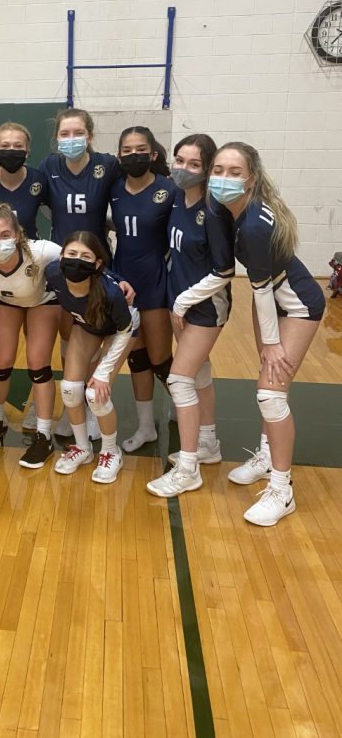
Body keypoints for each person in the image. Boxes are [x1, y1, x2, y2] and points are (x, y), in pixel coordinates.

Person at [207, 142, 324, 526]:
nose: (223, 178)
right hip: (272, 300)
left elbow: (258, 289)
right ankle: (266, 454)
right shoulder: (233, 211)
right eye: (218, 170)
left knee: (270, 393)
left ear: (251, 179)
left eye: (234, 172)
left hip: (298, 304)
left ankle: (282, 489)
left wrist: (272, 343)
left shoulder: (254, 223)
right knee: (270, 382)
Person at [145, 134, 235, 498]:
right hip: (178, 300)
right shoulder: (178, 199)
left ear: (208, 168)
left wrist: (182, 302)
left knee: (180, 380)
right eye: (179, 160)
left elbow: (224, 270)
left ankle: (188, 468)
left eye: (194, 164)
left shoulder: (213, 210)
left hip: (204, 307)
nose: (183, 168)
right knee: (198, 372)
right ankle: (208, 444)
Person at [37, 108, 122, 442]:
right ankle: (67, 406)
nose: (71, 140)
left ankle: (89, 405)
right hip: (64, 262)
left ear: (90, 135)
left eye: (77, 133)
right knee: (68, 334)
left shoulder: (108, 164)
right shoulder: (49, 168)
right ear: (57, 138)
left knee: (94, 331)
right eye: (64, 134)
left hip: (97, 264)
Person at [0, 203, 61, 467]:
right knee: (1, 362)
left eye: (5, 235)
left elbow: (80, 258)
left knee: (38, 364)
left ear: (18, 235)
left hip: (42, 301)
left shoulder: (42, 251)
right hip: (5, 302)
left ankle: (44, 436)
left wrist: (116, 281)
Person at [45, 231, 138, 483]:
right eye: (71, 254)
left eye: (85, 256)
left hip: (121, 331)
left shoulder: (112, 293)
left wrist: (102, 373)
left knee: (95, 394)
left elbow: (124, 330)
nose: (77, 260)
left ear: (97, 263)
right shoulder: (53, 273)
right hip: (87, 325)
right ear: (61, 255)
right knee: (69, 389)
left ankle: (110, 451)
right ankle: (82, 448)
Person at [110, 126, 175, 454]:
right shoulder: (115, 187)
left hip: (155, 281)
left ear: (152, 154)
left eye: (140, 149)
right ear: (119, 155)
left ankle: (185, 407)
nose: (133, 155)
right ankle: (146, 426)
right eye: (127, 149)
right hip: (125, 281)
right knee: (136, 357)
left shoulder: (169, 189)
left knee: (161, 359)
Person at [0, 122, 47, 240]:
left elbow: (53, 213)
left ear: (28, 151)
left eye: (18, 146)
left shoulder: (39, 179)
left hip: (31, 251)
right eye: (5, 146)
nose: (12, 150)